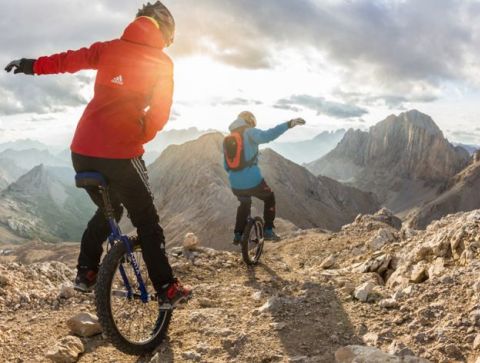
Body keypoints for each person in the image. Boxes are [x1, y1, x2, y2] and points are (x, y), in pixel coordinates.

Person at [4, 1, 191, 306]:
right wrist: (138, 134)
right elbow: (160, 113)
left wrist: (29, 64)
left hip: (81, 151)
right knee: (147, 221)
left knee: (110, 210)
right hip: (120, 153)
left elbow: (68, 60)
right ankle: (167, 288)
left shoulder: (109, 48)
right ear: (165, 31)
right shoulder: (162, 62)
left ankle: (86, 272)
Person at [224, 111, 305, 244]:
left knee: (244, 203)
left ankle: (238, 235)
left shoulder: (228, 138)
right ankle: (268, 231)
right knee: (269, 197)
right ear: (249, 120)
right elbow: (268, 135)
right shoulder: (249, 132)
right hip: (251, 180)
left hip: (234, 182)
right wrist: (289, 124)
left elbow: (226, 165)